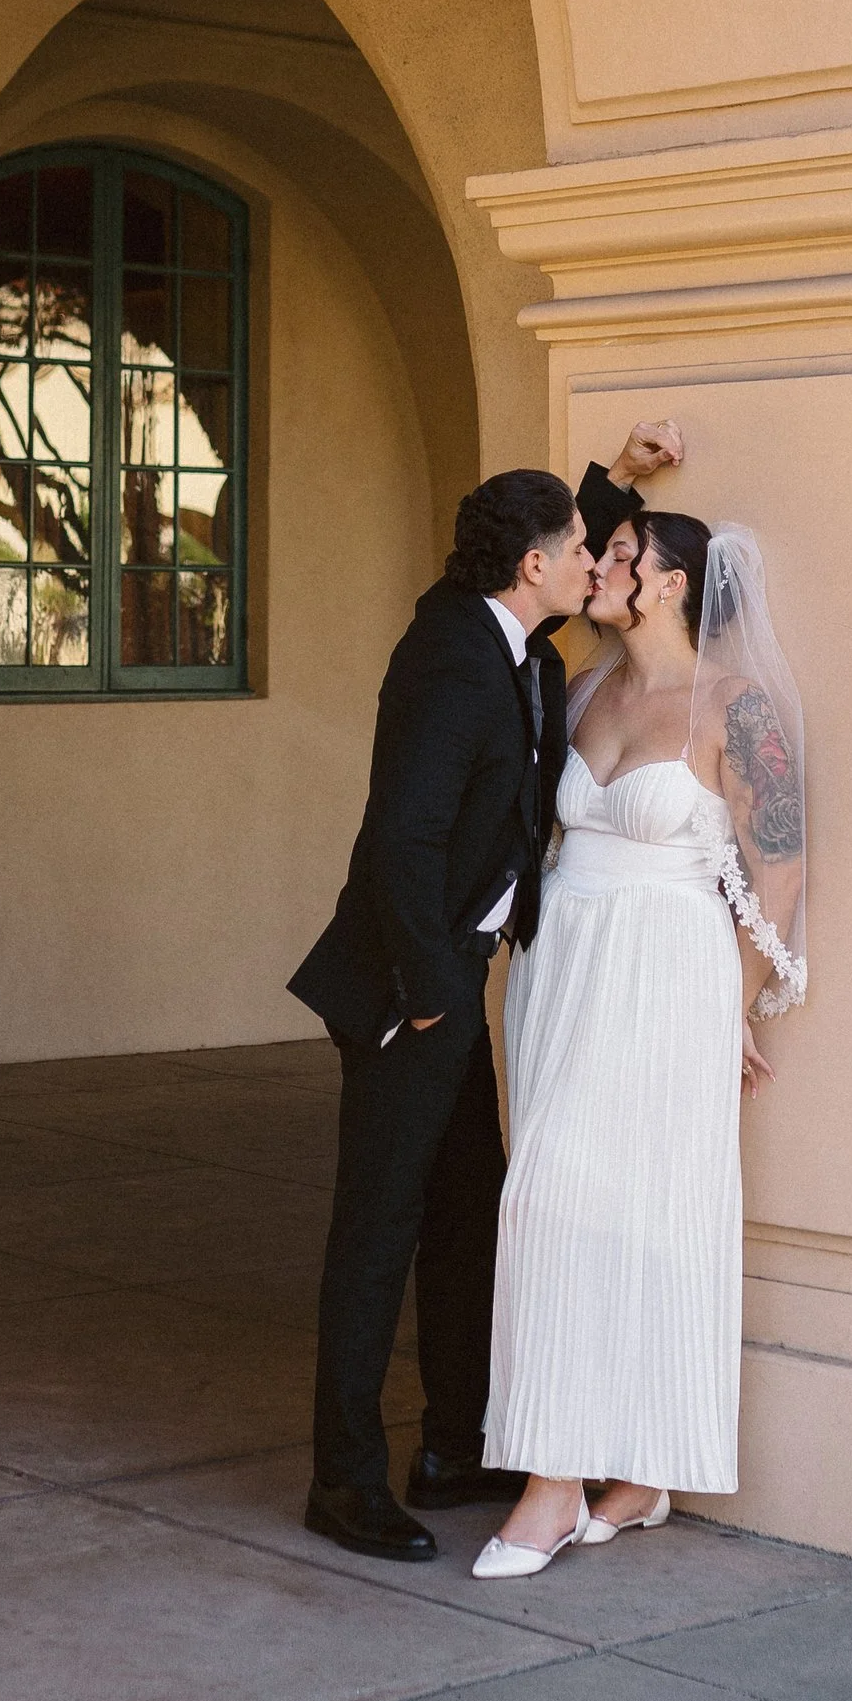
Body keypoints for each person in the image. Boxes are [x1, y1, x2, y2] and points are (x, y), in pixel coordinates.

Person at [289, 435, 683, 1562]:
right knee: (376, 1233)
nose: (590, 569)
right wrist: (425, 999)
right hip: (405, 988)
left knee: (466, 1217)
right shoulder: (452, 661)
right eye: (578, 550)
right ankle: (342, 1480)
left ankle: (456, 1443)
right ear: (528, 569)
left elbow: (539, 553)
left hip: (454, 982)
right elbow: (401, 841)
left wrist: (607, 481)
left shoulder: (496, 626)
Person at [473, 466, 807, 1581]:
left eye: (617, 558)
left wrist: (748, 999)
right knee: (555, 1195)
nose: (597, 568)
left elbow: (782, 861)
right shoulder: (578, 691)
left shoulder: (733, 710)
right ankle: (628, 1471)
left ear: (667, 585)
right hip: (563, 970)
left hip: (665, 978)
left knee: (642, 1211)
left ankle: (561, 1482)